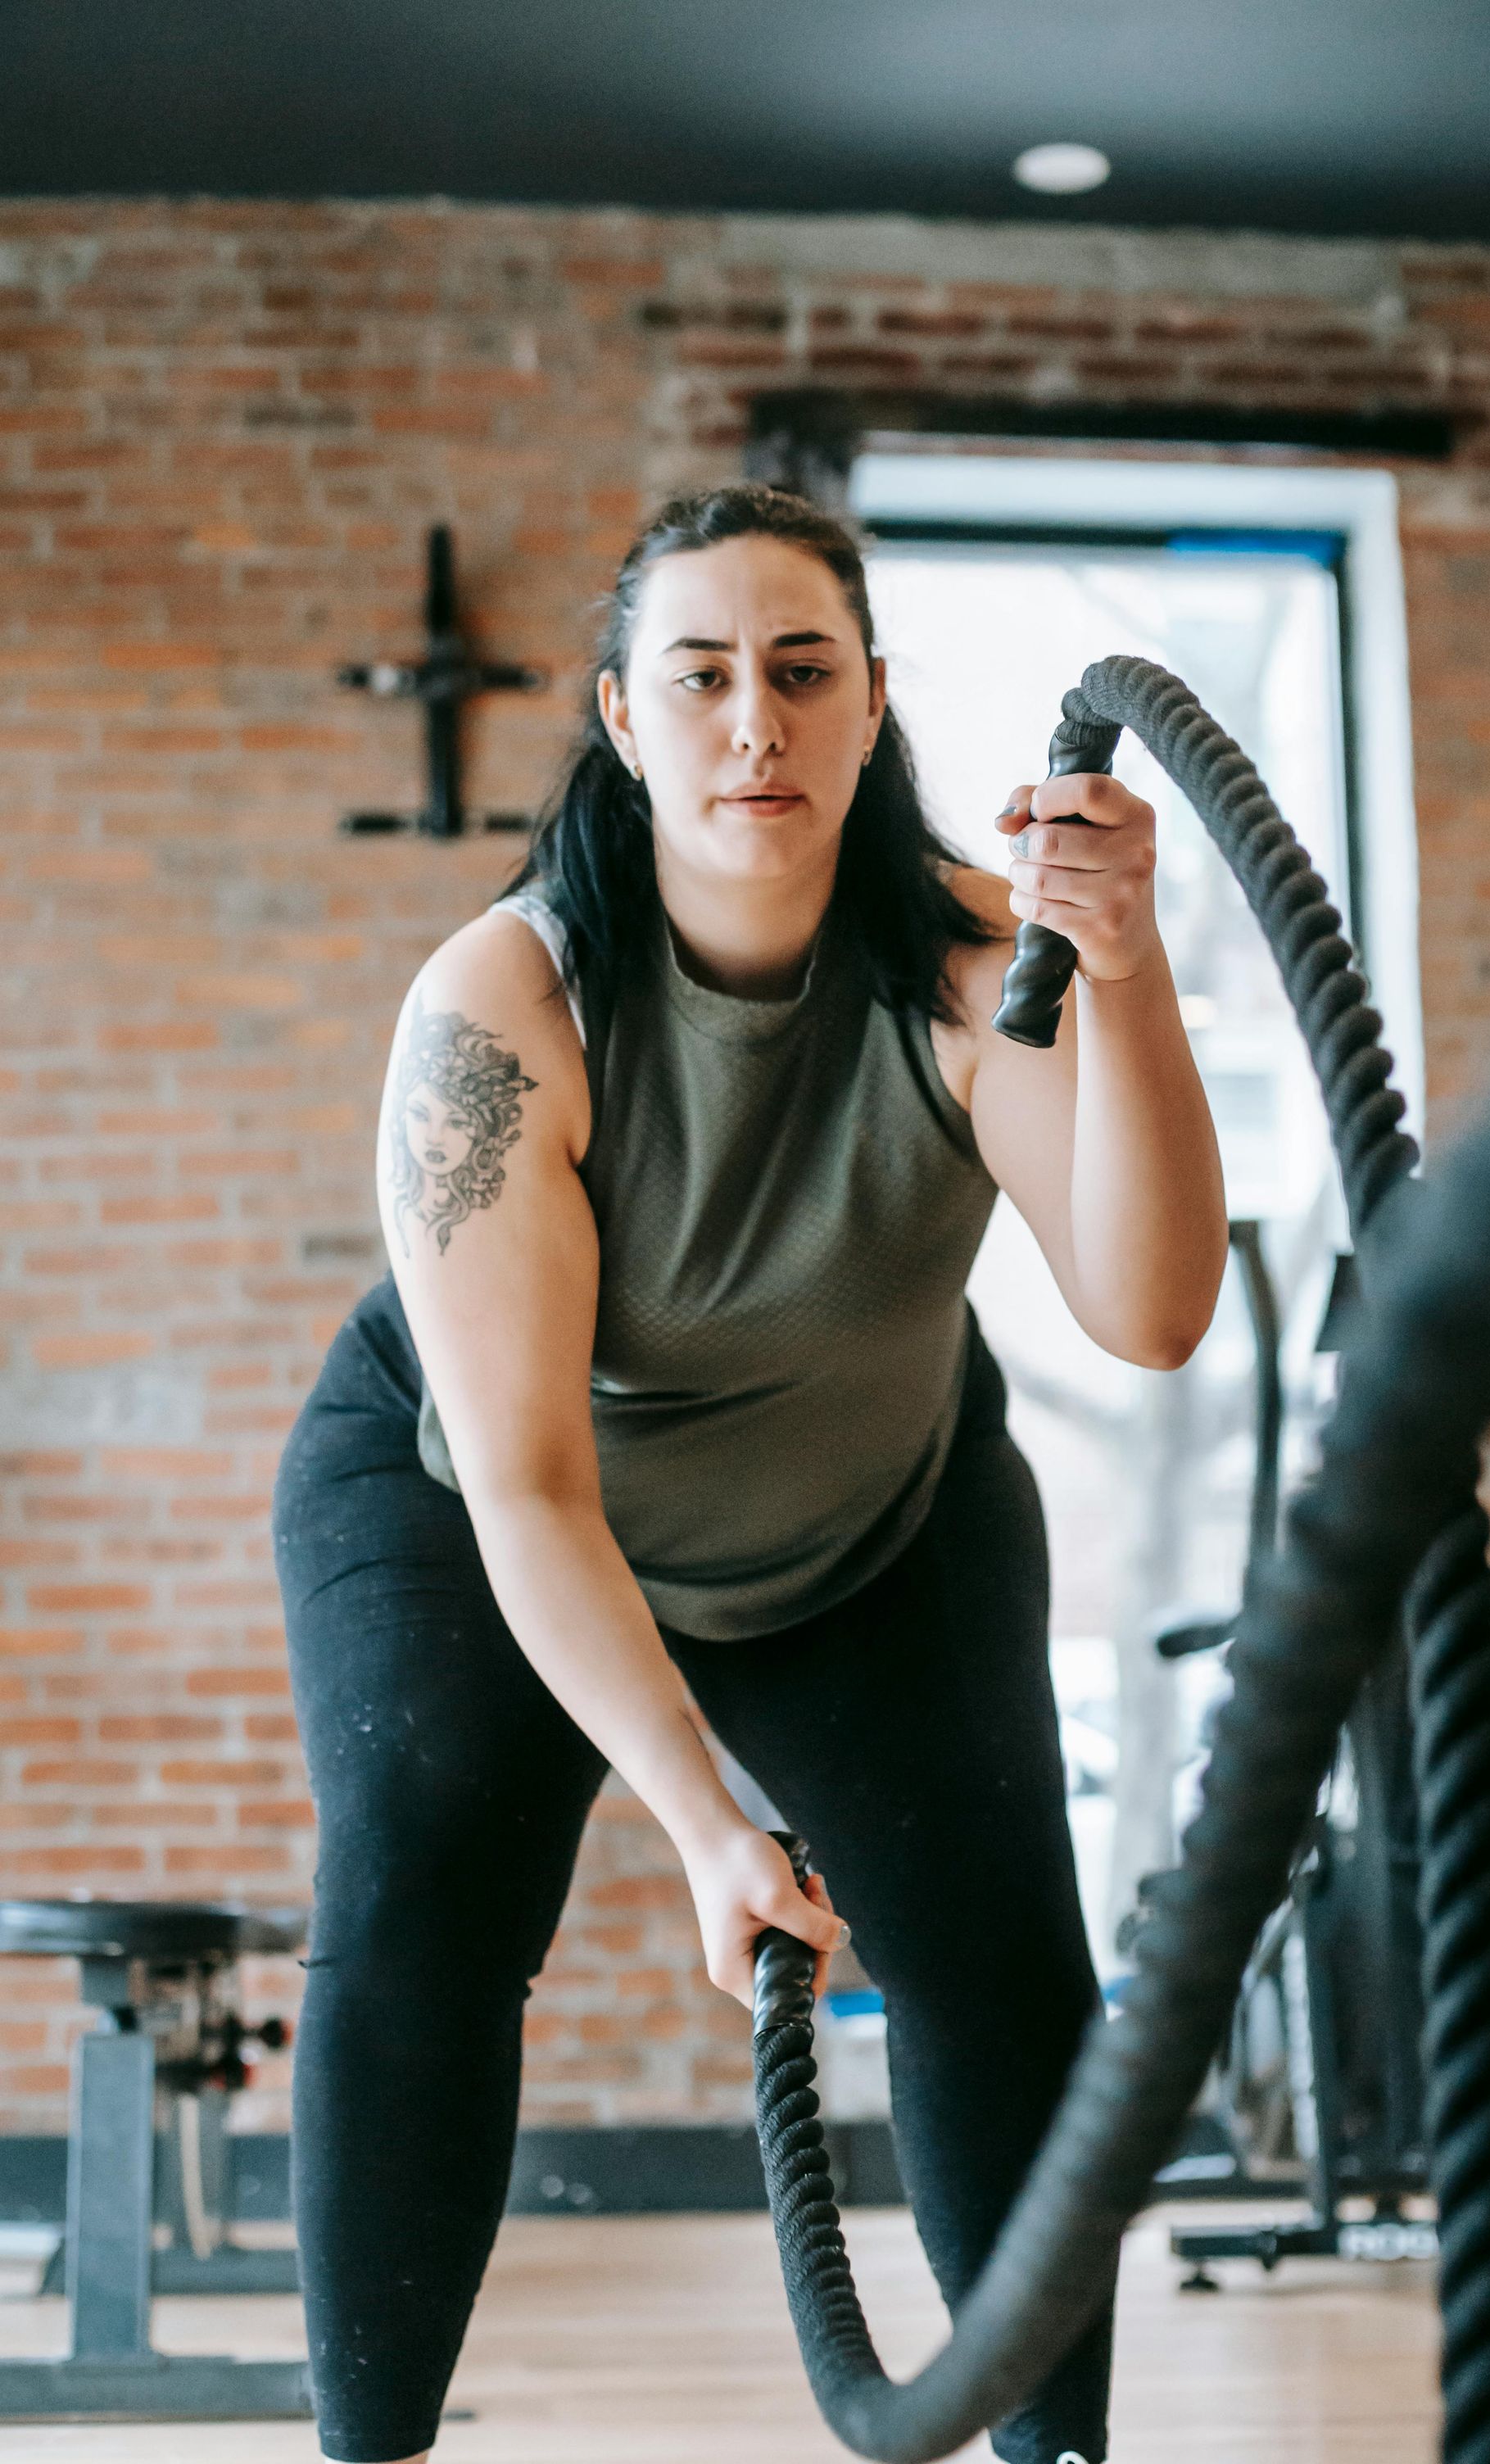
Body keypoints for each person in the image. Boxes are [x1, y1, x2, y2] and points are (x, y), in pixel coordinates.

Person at [272, 482, 1228, 2464]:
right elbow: (531, 1486)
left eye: (803, 674)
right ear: (622, 715)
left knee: (1003, 1965)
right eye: (701, 676)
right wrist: (709, 1823)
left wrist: (1127, 975)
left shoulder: (984, 963)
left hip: (872, 1515)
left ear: (876, 704)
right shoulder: (502, 1012)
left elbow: (1149, 1310)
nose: (754, 726)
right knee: (421, 1891)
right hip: (483, 1506)